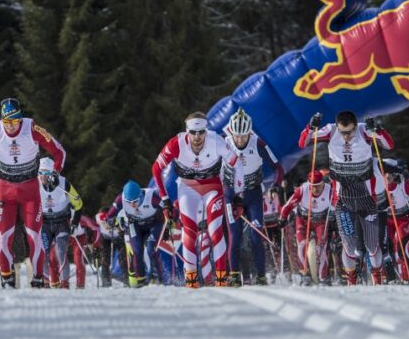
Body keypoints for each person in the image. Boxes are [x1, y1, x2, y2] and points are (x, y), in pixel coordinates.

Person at [0, 98, 66, 287]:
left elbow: (59, 150)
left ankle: (37, 279)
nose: (11, 127)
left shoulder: (32, 128)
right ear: (1, 120)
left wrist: (55, 173)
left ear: (20, 118)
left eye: (14, 121)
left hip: (30, 191)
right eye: (7, 122)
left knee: (34, 237)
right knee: (4, 237)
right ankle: (7, 278)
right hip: (5, 191)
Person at [299, 111, 393, 285]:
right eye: (343, 132)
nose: (346, 137)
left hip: (366, 199)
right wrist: (311, 127)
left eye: (349, 132)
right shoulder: (331, 131)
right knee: (349, 246)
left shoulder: (364, 131)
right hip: (344, 200)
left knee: (372, 246)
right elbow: (303, 142)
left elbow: (389, 144)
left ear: (355, 127)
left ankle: (377, 276)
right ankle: (351, 278)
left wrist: (378, 130)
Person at [152, 111, 233, 287]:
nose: (197, 137)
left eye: (201, 132)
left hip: (213, 187)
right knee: (190, 232)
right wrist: (165, 199)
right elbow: (156, 169)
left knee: (215, 230)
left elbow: (234, 162)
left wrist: (237, 191)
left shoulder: (216, 140)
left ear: (206, 130)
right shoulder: (176, 144)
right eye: (193, 132)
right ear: (187, 131)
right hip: (188, 188)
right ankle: (191, 279)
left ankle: (221, 278)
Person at [223, 109, 284, 287]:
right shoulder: (224, 144)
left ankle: (261, 276)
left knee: (256, 236)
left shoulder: (258, 143)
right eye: (237, 136)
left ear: (250, 131)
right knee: (235, 237)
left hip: (253, 193)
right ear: (231, 132)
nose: (240, 140)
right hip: (232, 195)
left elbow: (277, 168)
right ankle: (234, 275)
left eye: (244, 136)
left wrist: (276, 187)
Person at [279, 171, 333, 285]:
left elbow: (338, 203)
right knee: (302, 246)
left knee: (321, 249)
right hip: (303, 220)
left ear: (323, 183)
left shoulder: (329, 190)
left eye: (319, 186)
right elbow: (289, 205)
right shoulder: (303, 190)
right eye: (313, 187)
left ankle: (323, 277)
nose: (316, 189)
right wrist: (283, 217)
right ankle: (305, 276)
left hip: (321, 221)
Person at [106, 180, 162, 287]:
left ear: (140, 195)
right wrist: (112, 221)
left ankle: (156, 277)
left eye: (135, 201)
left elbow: (170, 209)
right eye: (129, 201)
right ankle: (140, 279)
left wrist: (171, 223)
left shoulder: (153, 197)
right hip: (134, 224)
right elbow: (109, 216)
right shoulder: (120, 199)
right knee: (136, 250)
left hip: (154, 223)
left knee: (150, 247)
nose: (132, 204)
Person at [38, 158, 83, 288]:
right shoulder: (34, 183)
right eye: (40, 173)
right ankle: (46, 283)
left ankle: (64, 284)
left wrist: (75, 223)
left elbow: (79, 204)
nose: (42, 177)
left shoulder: (64, 184)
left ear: (52, 173)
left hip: (61, 222)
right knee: (44, 252)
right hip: (44, 223)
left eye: (45, 174)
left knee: (61, 251)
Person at [382, 160, 409, 283]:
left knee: (399, 243)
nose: (387, 176)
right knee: (387, 247)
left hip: (404, 219)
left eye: (390, 173)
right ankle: (389, 275)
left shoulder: (404, 185)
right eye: (384, 173)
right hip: (388, 220)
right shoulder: (379, 185)